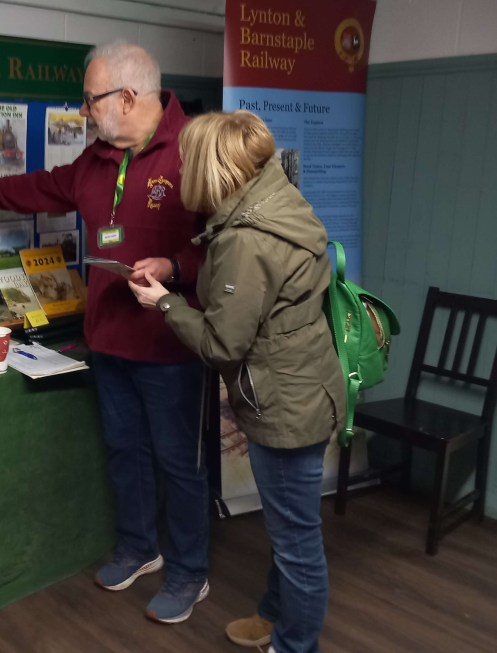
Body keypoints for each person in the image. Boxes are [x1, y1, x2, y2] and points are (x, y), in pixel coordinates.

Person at [0, 40, 211, 624]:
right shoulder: (94, 160)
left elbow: (226, 247)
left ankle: (191, 571)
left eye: (90, 101)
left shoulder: (195, 150)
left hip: (169, 343)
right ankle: (140, 547)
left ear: (129, 97)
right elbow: (39, 187)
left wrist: (174, 267)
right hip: (108, 338)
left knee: (176, 461)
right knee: (123, 450)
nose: (83, 112)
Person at [129, 110, 346, 653]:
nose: (180, 169)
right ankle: (276, 617)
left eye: (187, 160)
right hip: (307, 385)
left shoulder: (246, 240)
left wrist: (165, 303)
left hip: (286, 406)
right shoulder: (276, 198)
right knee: (289, 531)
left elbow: (221, 343)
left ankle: (295, 646)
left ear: (212, 167)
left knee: (297, 542)